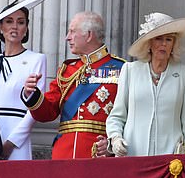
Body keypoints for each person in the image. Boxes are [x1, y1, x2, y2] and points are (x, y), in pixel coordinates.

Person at [21, 11, 124, 159]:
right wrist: (32, 94)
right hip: (64, 153)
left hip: (99, 154)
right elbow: (47, 113)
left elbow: (130, 117)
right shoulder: (67, 70)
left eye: (72, 31)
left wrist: (112, 145)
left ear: (89, 35)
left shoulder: (122, 69)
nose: (67, 37)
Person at [105, 13, 185, 156]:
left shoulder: (184, 74)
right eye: (158, 39)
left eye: (169, 39)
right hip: (133, 154)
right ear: (149, 43)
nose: (163, 44)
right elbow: (117, 115)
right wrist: (115, 138)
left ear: (174, 44)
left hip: (171, 157)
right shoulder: (130, 70)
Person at [0, 0, 47, 160]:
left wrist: (11, 143)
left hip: (18, 138)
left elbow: (35, 110)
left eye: (20, 22)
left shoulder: (37, 59)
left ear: (26, 28)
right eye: (9, 21)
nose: (15, 27)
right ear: (1, 27)